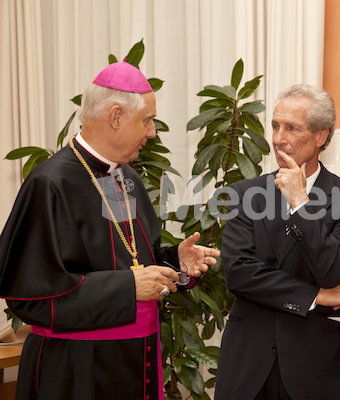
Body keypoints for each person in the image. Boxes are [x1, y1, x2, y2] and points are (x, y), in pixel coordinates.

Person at [0, 62, 221, 400]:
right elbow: (29, 297)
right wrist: (127, 287)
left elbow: (128, 258)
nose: (152, 133)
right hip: (78, 371)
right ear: (115, 117)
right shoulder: (50, 183)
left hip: (134, 363)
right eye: (147, 121)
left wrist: (175, 260)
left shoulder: (122, 177)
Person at [215, 84, 340, 400]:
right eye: (275, 126)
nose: (277, 138)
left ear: (320, 137)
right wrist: (315, 296)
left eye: (291, 128)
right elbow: (239, 274)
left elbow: (333, 272)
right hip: (249, 365)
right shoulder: (245, 194)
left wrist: (301, 203)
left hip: (314, 368)